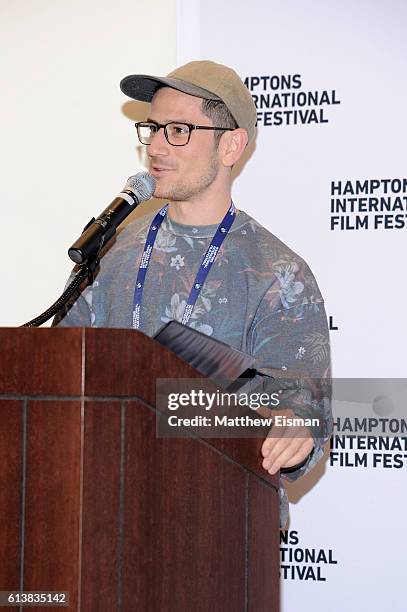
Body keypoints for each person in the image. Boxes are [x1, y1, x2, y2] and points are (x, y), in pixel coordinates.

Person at [55, 60, 332, 526]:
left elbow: (300, 402)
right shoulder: (111, 250)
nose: (157, 148)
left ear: (231, 145)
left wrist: (294, 424)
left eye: (179, 130)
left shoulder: (277, 272)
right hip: (99, 511)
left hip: (217, 524)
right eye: (153, 128)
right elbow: (61, 364)